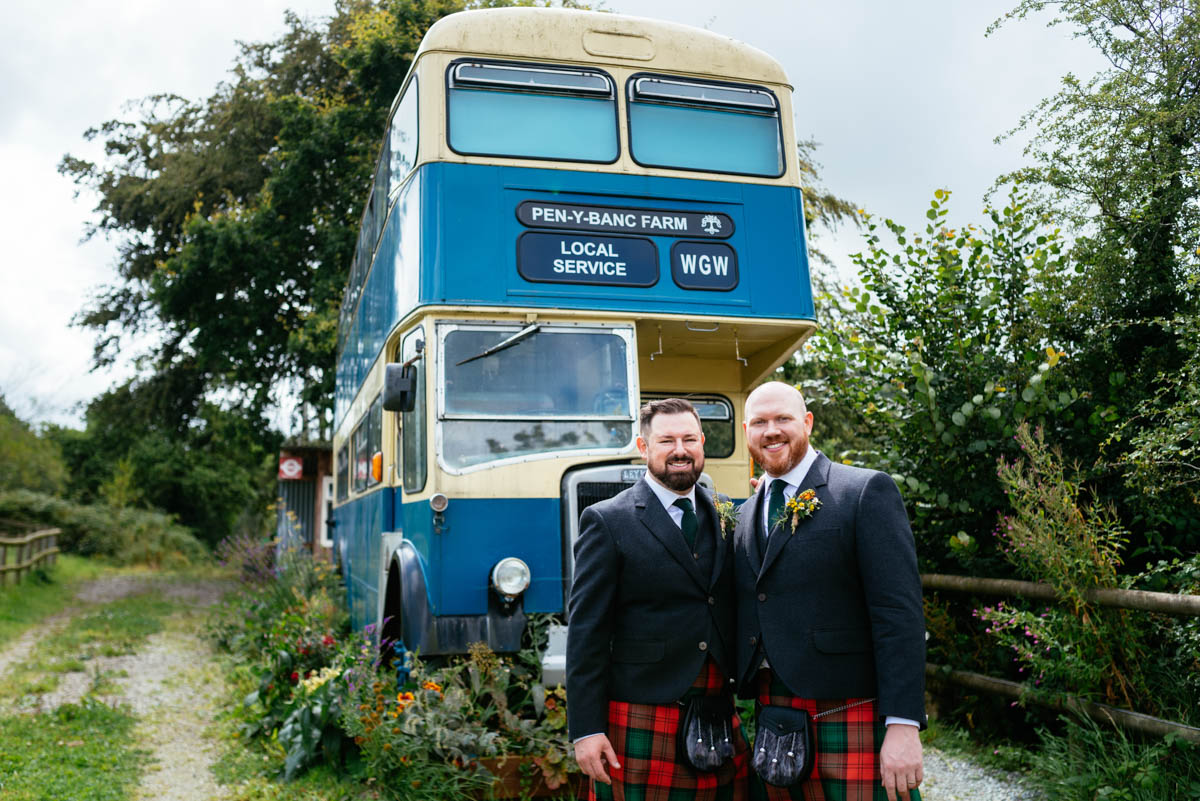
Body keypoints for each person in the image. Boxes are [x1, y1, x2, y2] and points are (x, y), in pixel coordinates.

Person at [733, 382, 926, 801]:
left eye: (783, 418)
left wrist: (903, 725)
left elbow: (899, 615)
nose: (772, 431)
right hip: (773, 712)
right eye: (760, 422)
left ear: (807, 422)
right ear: (746, 430)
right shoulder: (745, 512)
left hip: (850, 711)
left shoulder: (863, 491)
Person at [567, 398, 747, 801]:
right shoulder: (608, 520)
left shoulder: (725, 514)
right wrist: (586, 729)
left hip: (716, 706)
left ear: (702, 443)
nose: (680, 450)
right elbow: (586, 633)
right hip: (641, 711)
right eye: (667, 440)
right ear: (643, 447)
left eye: (689, 439)